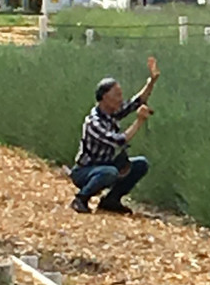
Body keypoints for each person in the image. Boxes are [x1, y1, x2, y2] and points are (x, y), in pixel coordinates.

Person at [69, 56, 160, 215]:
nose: (120, 99)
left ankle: (112, 200)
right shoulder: (94, 122)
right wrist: (139, 121)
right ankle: (81, 198)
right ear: (105, 97)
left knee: (140, 164)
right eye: (117, 95)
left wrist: (151, 82)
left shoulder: (111, 113)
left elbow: (136, 102)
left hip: (105, 166)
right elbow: (119, 140)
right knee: (109, 172)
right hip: (86, 171)